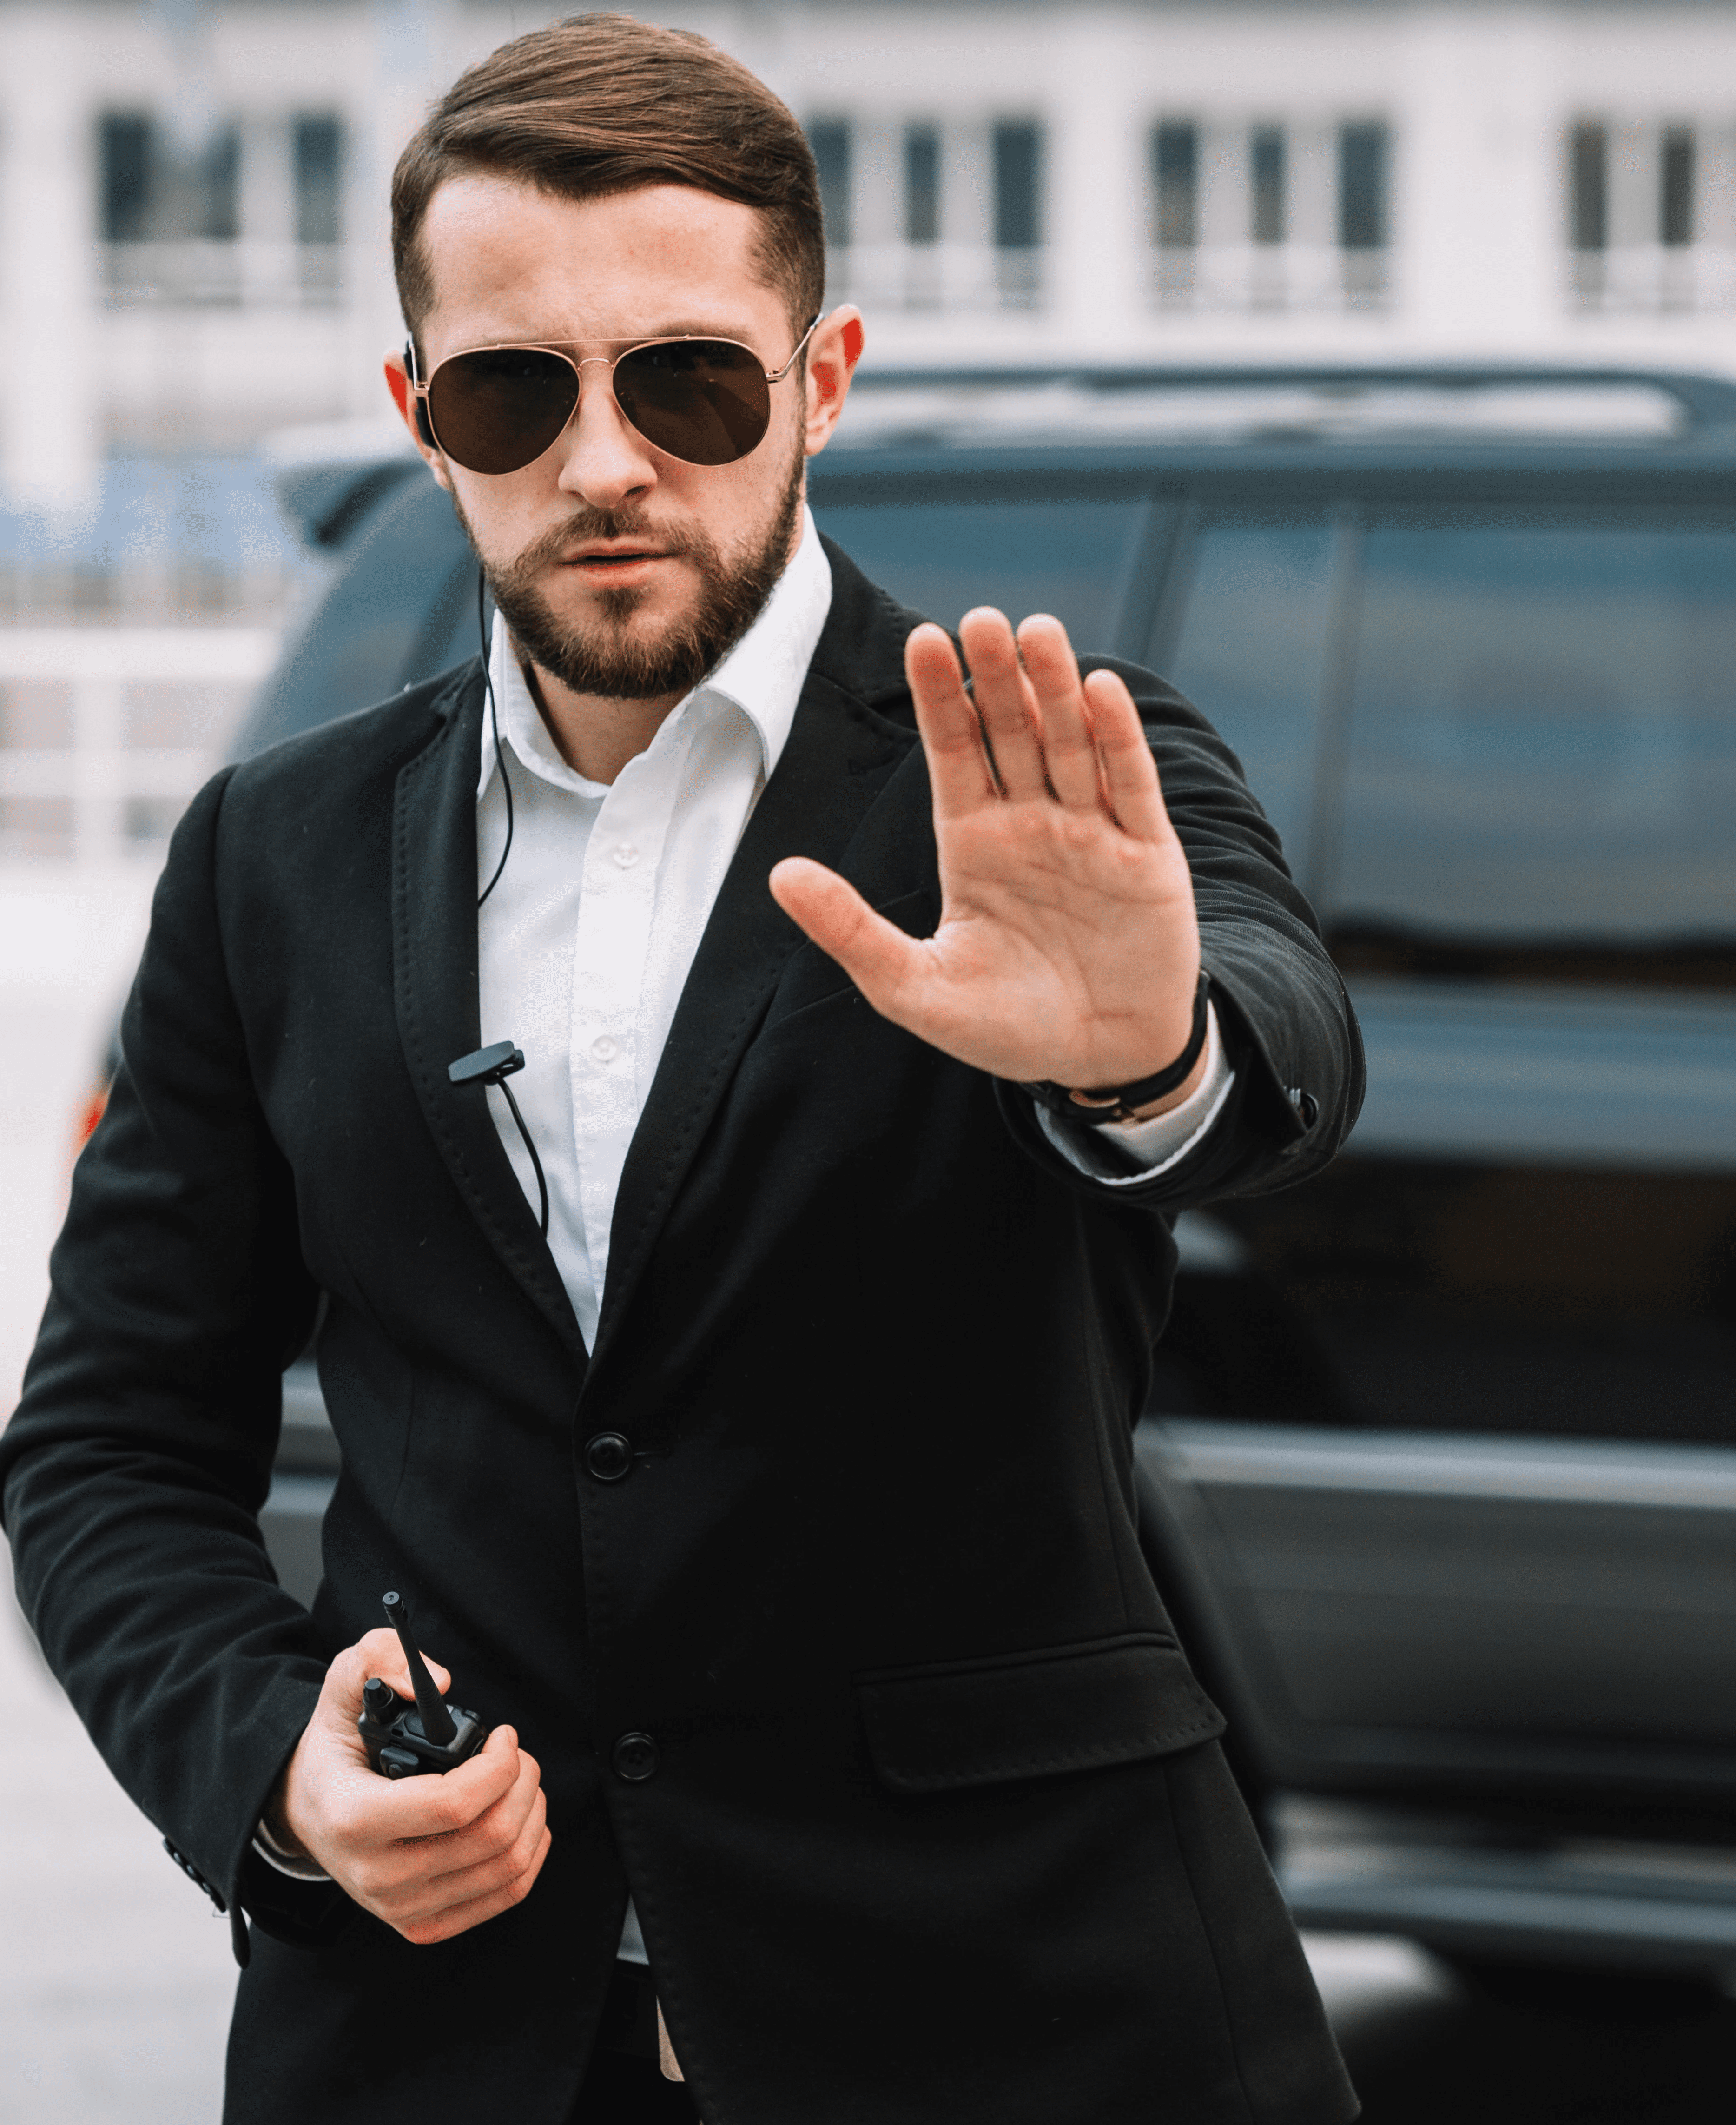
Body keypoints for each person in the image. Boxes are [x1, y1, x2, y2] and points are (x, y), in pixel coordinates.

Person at [0, 18, 1360, 2125]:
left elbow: (1280, 1032)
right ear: (419, 415)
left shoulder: (1047, 774)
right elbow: (102, 1441)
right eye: (512, 390)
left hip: (1019, 2019)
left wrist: (1144, 1061)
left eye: (690, 379)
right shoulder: (272, 856)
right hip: (441, 2043)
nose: (606, 458)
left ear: (818, 381)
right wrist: (269, 1758)